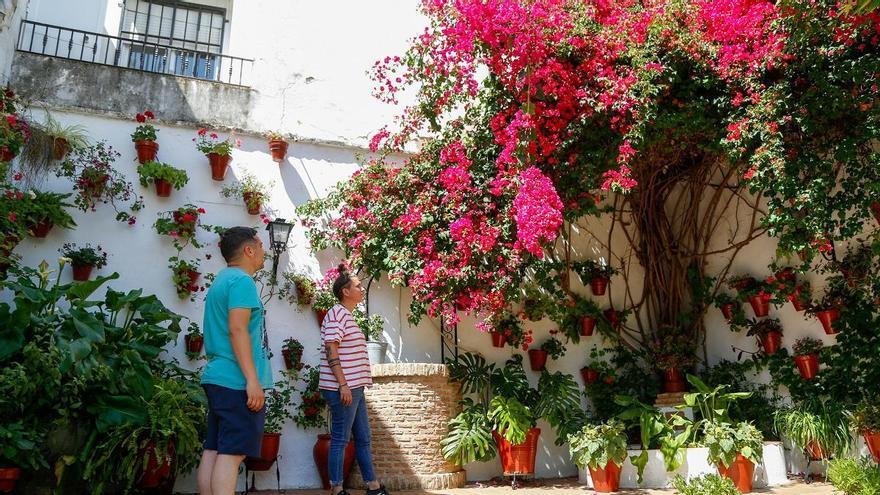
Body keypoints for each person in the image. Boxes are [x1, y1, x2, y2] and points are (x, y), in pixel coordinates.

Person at [196, 227, 272, 495]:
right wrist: (252, 379)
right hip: (235, 381)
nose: (265, 251)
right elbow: (237, 329)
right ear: (249, 250)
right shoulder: (242, 282)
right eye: (261, 245)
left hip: (218, 377)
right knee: (233, 453)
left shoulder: (222, 280)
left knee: (215, 449)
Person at [320, 264, 390, 495]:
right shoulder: (336, 314)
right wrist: (343, 385)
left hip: (355, 388)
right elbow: (331, 349)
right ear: (345, 291)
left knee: (363, 437)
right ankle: (337, 489)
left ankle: (373, 487)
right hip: (344, 389)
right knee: (341, 438)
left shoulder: (346, 315)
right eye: (358, 286)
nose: (362, 289)